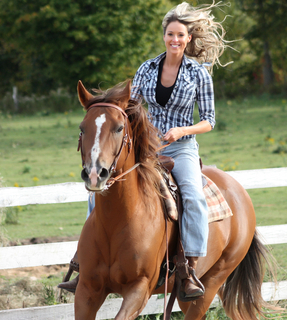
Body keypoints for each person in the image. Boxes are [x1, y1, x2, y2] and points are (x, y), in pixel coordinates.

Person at [59, 1, 232, 300]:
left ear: (189, 38)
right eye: (170, 35)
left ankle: (188, 268)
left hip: (182, 149)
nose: (175, 40)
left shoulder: (199, 75)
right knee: (99, 190)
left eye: (180, 35)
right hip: (147, 148)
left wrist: (182, 130)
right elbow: (131, 110)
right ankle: (85, 263)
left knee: (191, 195)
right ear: (164, 36)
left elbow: (209, 121)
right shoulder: (147, 68)